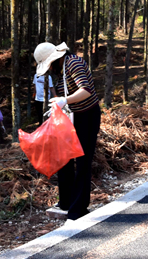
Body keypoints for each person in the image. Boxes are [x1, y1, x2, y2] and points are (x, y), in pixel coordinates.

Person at [33, 41, 100, 221]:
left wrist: (65, 101)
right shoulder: (59, 71)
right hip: (71, 118)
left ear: (54, 59)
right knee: (64, 158)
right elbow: (62, 96)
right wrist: (58, 105)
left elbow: (85, 90)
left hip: (86, 116)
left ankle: (78, 208)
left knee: (83, 161)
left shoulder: (73, 63)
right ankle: (66, 202)